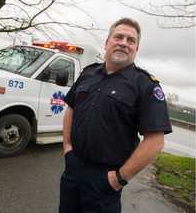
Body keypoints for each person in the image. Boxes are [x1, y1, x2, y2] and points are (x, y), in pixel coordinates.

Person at [59, 17, 172, 213]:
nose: (124, 43)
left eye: (131, 40)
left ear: (136, 49)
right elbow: (71, 108)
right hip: (73, 168)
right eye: (118, 37)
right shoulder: (88, 73)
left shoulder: (145, 85)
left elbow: (155, 141)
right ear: (107, 42)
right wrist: (68, 147)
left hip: (105, 180)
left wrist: (118, 179)